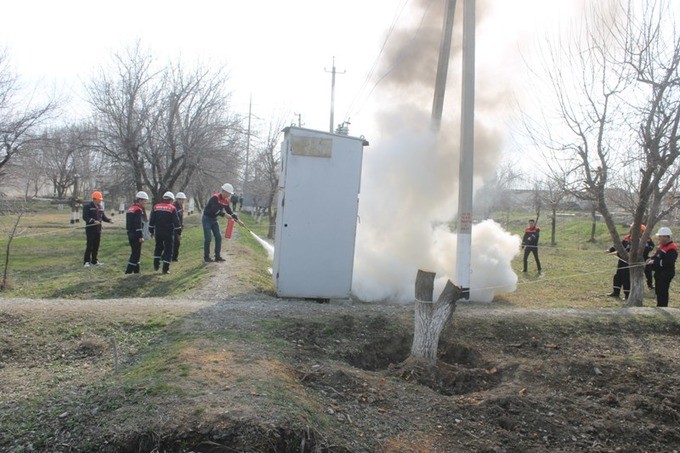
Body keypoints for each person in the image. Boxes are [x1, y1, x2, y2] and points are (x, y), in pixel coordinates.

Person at [202, 183, 244, 262]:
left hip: (214, 220)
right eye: (228, 193)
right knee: (208, 238)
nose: (229, 195)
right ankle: (206, 257)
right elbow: (215, 210)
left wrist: (238, 221)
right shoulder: (215, 198)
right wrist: (224, 214)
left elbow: (230, 212)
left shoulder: (226, 201)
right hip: (207, 219)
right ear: (224, 191)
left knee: (218, 237)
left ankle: (217, 257)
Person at [149, 191, 181, 274]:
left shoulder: (156, 207)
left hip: (158, 232)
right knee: (168, 249)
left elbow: (152, 220)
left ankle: (156, 265)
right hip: (168, 232)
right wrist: (179, 233)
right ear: (171, 200)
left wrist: (151, 231)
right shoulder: (172, 208)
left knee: (158, 247)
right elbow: (176, 221)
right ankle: (165, 269)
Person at [646, 227, 678, 307]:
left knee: (663, 291)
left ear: (665, 237)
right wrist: (650, 259)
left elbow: (668, 262)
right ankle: (659, 305)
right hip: (659, 273)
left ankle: (663, 306)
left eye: (660, 236)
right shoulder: (662, 246)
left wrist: (654, 262)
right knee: (658, 291)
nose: (659, 238)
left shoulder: (671, 248)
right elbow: (657, 256)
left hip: (666, 273)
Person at [82, 190, 113, 267]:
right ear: (95, 199)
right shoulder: (87, 206)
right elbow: (85, 217)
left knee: (96, 245)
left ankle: (94, 261)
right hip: (90, 229)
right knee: (90, 245)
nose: (100, 201)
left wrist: (109, 220)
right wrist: (93, 221)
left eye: (101, 200)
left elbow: (103, 217)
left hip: (98, 229)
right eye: (99, 199)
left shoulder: (100, 207)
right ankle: (86, 261)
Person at [125, 191, 149, 274]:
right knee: (135, 254)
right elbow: (138, 224)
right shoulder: (138, 210)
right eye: (144, 201)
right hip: (136, 234)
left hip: (130, 233)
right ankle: (128, 271)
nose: (145, 203)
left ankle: (137, 271)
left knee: (135, 252)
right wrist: (140, 236)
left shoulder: (130, 209)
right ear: (140, 200)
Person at [172, 192, 187, 262]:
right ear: (178, 199)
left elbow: (181, 217)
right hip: (174, 227)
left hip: (179, 226)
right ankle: (173, 257)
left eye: (184, 200)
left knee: (177, 242)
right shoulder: (174, 206)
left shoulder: (181, 206)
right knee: (175, 242)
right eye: (182, 200)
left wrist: (182, 224)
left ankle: (174, 257)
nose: (183, 201)